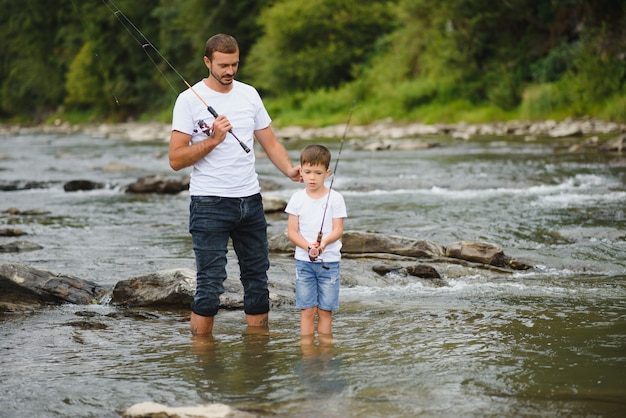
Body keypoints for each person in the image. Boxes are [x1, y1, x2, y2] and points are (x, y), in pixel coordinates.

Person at [169, 34, 301, 336]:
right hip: (208, 204)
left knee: (257, 280)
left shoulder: (249, 94)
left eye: (235, 64)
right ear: (207, 62)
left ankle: (257, 354)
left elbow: (270, 141)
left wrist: (289, 170)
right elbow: (175, 159)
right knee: (210, 283)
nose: (230, 71)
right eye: (223, 65)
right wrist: (214, 140)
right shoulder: (188, 100)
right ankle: (203, 359)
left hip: (250, 202)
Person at [285, 145, 347, 337]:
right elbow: (291, 232)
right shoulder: (296, 198)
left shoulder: (336, 198)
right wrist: (308, 247)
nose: (312, 177)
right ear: (300, 171)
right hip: (304, 263)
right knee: (307, 310)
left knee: (325, 311)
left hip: (329, 263)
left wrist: (324, 243)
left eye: (318, 172)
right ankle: (308, 353)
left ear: (327, 173)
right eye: (308, 172)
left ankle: (326, 354)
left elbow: (338, 229)